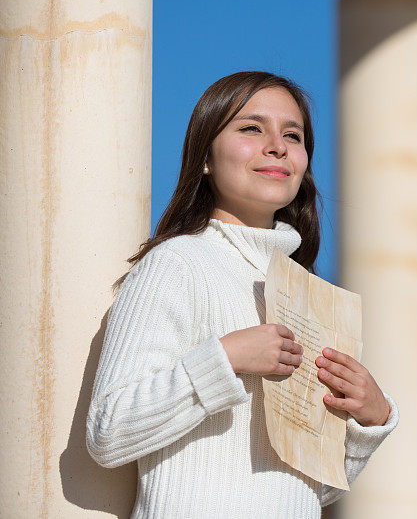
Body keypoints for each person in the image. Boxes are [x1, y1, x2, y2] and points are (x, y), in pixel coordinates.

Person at [86, 71, 399, 518]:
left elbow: (308, 489)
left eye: (293, 134)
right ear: (206, 157)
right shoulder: (177, 262)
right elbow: (109, 430)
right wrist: (225, 359)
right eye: (252, 128)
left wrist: (370, 420)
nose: (278, 145)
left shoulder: (313, 296)